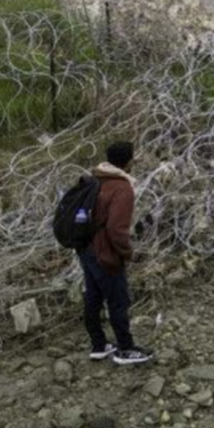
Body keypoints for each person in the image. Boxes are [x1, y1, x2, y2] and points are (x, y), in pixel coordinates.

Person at [79, 141, 152, 365]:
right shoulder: (122, 188)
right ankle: (125, 349)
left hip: (85, 248)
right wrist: (128, 253)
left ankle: (99, 345)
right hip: (105, 253)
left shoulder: (94, 179)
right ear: (128, 161)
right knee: (118, 300)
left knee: (93, 297)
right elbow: (116, 230)